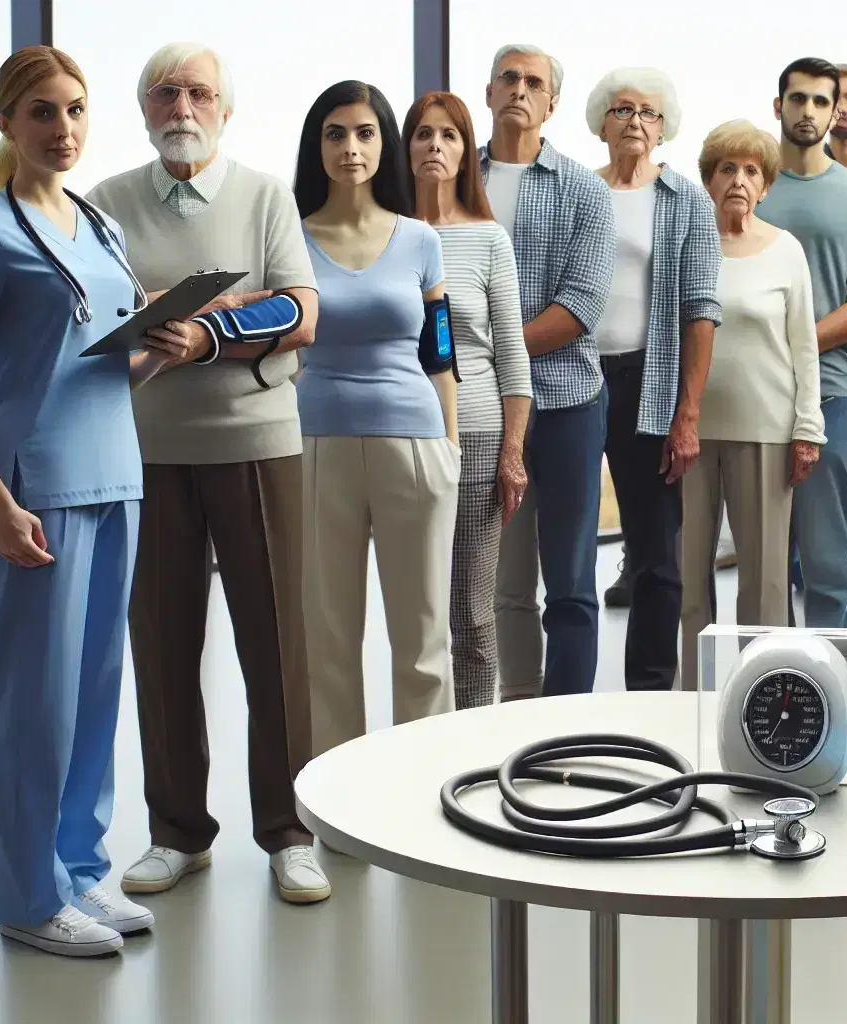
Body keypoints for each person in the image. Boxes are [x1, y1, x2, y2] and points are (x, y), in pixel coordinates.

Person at [86, 43, 328, 906]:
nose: (181, 105)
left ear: (224, 108)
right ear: (144, 108)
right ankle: (177, 833)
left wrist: (210, 331)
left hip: (258, 443)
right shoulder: (105, 200)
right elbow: (97, 311)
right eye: (164, 92)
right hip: (143, 452)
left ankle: (289, 832)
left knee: (277, 650)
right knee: (161, 645)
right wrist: (172, 313)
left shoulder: (265, 195)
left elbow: (301, 309)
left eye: (198, 92)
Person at [0, 44, 163, 956]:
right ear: (7, 124)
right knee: (32, 701)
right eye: (42, 113)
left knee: (97, 691)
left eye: (74, 110)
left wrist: (168, 346)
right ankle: (28, 899)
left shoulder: (101, 228)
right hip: (34, 491)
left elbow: (110, 362)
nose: (62, 129)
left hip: (117, 476)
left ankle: (78, 872)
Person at [295, 82, 459, 751]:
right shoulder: (290, 236)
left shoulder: (421, 241)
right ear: (317, 146)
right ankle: (336, 802)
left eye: (364, 132)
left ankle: (422, 787)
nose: (350, 148)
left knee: (423, 640)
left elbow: (440, 350)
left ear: (384, 143)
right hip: (315, 448)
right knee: (326, 639)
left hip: (416, 449)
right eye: (335, 133)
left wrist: (450, 447)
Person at [483, 45, 617, 699]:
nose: (519, 88)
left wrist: (493, 354)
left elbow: (580, 308)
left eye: (533, 82)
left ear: (551, 104)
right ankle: (513, 709)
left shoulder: (585, 189)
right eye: (508, 77)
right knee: (502, 582)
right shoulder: (452, 184)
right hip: (479, 410)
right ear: (487, 93)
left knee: (570, 578)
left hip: (567, 403)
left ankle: (565, 723)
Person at [587, 67, 722, 691]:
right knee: (565, 554)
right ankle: (562, 696)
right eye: (622, 110)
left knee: (658, 558)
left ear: (663, 126)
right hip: (577, 376)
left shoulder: (687, 199)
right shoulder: (576, 193)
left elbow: (701, 309)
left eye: (648, 112)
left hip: (650, 379)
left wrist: (687, 413)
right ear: (602, 122)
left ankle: (648, 692)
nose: (635, 121)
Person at [680, 120, 824, 690]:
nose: (738, 180)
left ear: (765, 186)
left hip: (768, 429)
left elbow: (805, 346)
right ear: (708, 181)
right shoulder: (688, 245)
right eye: (726, 169)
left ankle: (762, 700)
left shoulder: (786, 250)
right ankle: (692, 698)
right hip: (687, 433)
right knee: (688, 579)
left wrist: (807, 427)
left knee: (764, 584)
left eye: (750, 171)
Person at [404, 91, 533, 710]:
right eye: (423, 135)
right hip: (399, 433)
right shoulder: (390, 236)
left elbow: (511, 354)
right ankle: (421, 742)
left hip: (477, 435)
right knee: (416, 609)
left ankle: (476, 738)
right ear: (405, 149)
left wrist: (512, 451)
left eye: (449, 136)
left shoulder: (488, 240)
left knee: (474, 611)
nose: (435, 147)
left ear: (466, 154)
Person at [755, 56, 847, 631]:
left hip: (830, 392)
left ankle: (827, 692)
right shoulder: (748, 188)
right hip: (752, 394)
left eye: (819, 101)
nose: (807, 111)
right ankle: (765, 683)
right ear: (777, 106)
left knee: (828, 558)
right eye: (797, 99)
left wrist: (794, 344)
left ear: (838, 113)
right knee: (763, 564)